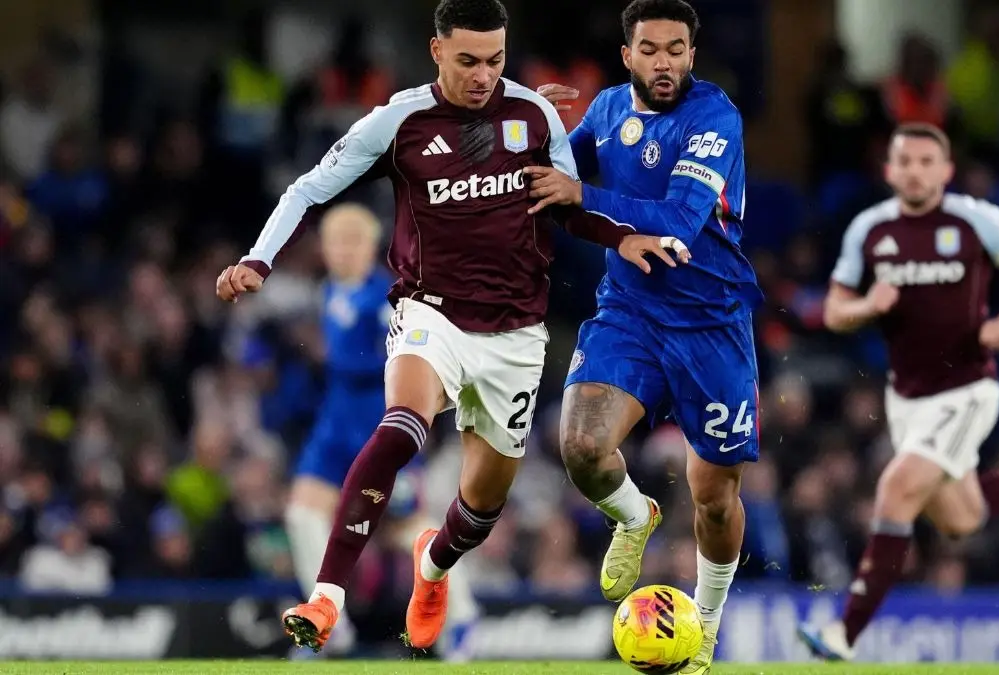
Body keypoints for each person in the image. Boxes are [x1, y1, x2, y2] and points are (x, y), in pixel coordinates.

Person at [215, 0, 687, 654]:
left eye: (495, 60)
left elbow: (569, 206)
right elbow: (308, 188)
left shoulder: (533, 114)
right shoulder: (399, 120)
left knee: (481, 506)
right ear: (437, 52)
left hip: (517, 335)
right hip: (429, 312)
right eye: (468, 61)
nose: (483, 75)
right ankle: (326, 597)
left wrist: (623, 237)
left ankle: (432, 567)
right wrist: (258, 259)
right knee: (402, 423)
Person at [798, 123, 999, 661]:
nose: (914, 170)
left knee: (894, 488)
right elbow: (835, 310)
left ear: (945, 170)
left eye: (925, 161)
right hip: (906, 398)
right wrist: (868, 306)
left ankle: (845, 633)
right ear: (889, 171)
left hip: (968, 389)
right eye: (904, 161)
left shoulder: (978, 220)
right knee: (963, 519)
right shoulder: (869, 229)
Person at [525, 1, 760, 672]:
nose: (665, 62)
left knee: (715, 499)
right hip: (628, 314)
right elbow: (549, 181)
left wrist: (581, 194)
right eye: (650, 49)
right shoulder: (603, 110)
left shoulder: (715, 117)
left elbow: (679, 223)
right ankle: (635, 514)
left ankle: (705, 626)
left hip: (712, 324)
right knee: (579, 446)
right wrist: (529, 131)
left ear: (693, 53)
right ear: (627, 54)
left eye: (677, 49)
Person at [283, 203, 477, 656]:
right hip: (335, 426)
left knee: (407, 529)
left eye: (353, 242)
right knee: (302, 514)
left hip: (380, 423)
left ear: (371, 247)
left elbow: (409, 366)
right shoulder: (330, 289)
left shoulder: (386, 301)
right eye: (335, 242)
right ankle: (332, 626)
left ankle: (462, 620)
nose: (344, 251)